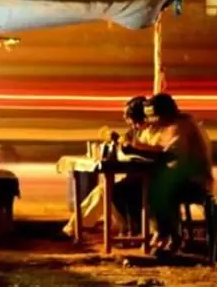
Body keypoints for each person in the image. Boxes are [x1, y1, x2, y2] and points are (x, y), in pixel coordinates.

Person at [126, 93, 213, 256]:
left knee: (155, 190)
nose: (151, 120)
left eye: (153, 115)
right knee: (139, 187)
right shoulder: (168, 126)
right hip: (176, 177)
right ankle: (161, 233)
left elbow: (170, 155)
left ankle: (169, 236)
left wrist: (137, 150)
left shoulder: (182, 125)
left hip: (193, 180)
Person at [63, 96, 158, 237]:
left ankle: (128, 229)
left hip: (150, 181)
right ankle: (75, 228)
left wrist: (132, 149)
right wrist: (119, 140)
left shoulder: (153, 132)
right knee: (104, 190)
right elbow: (126, 142)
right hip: (137, 178)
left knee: (108, 191)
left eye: (136, 122)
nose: (134, 126)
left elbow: (151, 155)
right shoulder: (137, 132)